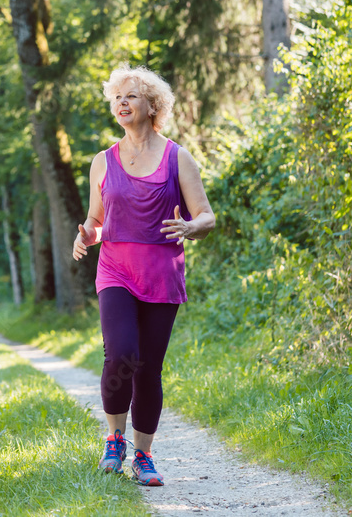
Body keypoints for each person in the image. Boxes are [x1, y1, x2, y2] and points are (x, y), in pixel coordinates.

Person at [72, 64, 215, 486]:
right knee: (121, 354)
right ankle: (115, 438)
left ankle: (144, 455)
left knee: (148, 368)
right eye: (117, 96)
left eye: (131, 96)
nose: (122, 103)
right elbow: (97, 220)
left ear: (153, 105)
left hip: (161, 274)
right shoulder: (103, 162)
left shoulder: (177, 157)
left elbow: (207, 215)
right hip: (115, 269)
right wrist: (86, 235)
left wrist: (190, 227)